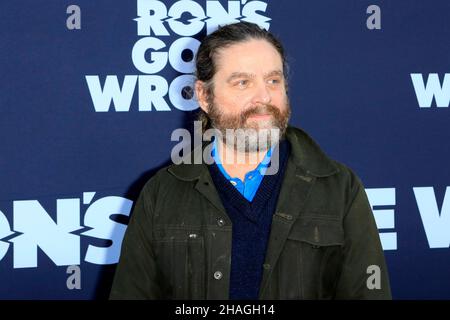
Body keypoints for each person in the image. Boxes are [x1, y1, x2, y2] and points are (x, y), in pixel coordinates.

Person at [110, 21, 391, 300]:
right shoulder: (161, 194)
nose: (264, 96)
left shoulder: (340, 189)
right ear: (204, 96)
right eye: (243, 82)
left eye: (273, 80)